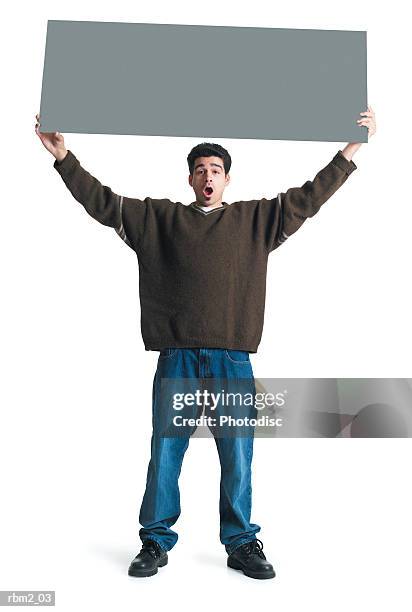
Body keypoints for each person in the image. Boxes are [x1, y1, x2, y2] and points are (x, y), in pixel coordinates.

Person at [35, 107, 376, 579]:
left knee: (237, 451)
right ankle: (154, 541)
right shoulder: (159, 218)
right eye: (200, 170)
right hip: (177, 355)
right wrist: (62, 155)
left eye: (215, 169)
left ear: (227, 179)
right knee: (167, 449)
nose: (207, 176)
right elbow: (103, 202)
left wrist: (352, 146)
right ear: (191, 180)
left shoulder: (256, 221)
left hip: (232, 357)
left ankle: (240, 542)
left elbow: (310, 197)